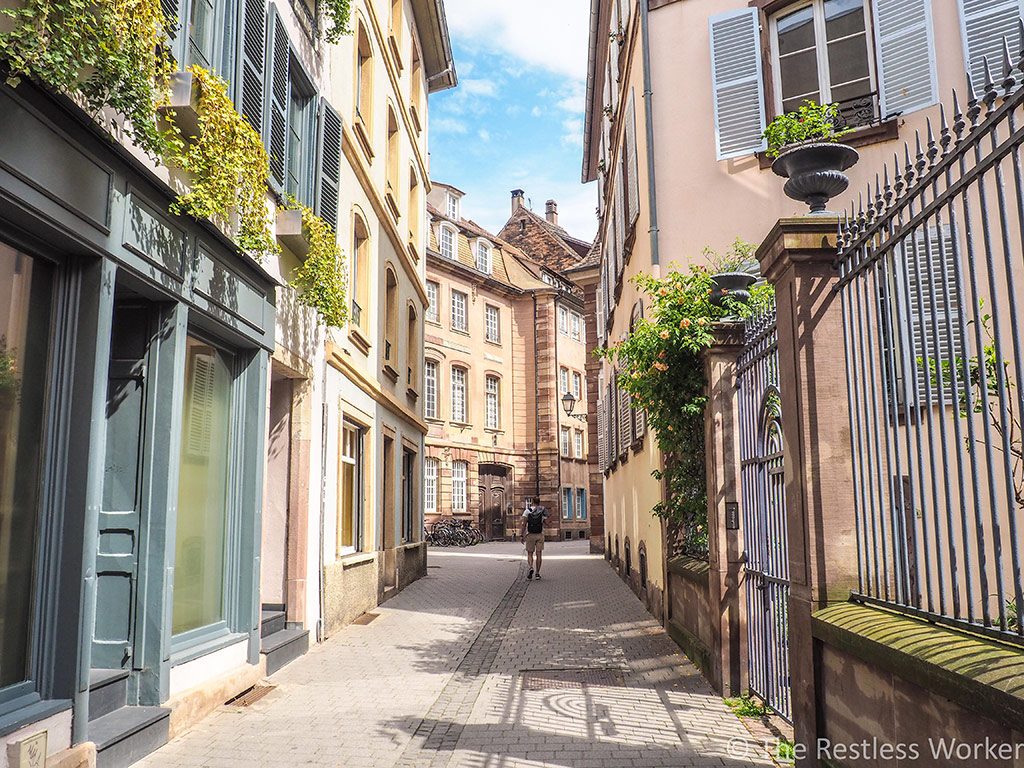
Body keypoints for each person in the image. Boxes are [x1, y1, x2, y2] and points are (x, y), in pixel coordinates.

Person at [520, 497, 548, 580]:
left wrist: (522, 535)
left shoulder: (527, 511)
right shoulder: (542, 511)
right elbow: (546, 523)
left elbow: (524, 524)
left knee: (530, 553)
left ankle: (531, 567)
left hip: (530, 534)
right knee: (539, 554)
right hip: (540, 534)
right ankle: (537, 573)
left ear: (532, 502)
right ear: (539, 502)